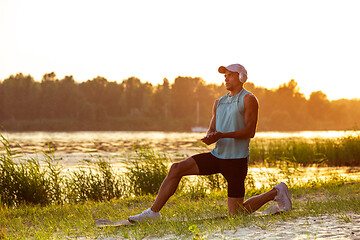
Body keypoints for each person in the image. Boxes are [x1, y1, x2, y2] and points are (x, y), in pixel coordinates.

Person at [128, 63, 292, 223]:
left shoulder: (248, 99)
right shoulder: (218, 102)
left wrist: (222, 135)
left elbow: (250, 132)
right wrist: (209, 137)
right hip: (217, 156)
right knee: (176, 168)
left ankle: (276, 192)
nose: (226, 79)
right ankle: (153, 213)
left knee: (236, 215)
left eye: (230, 75)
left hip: (236, 161)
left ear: (241, 77)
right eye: (225, 76)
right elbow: (212, 128)